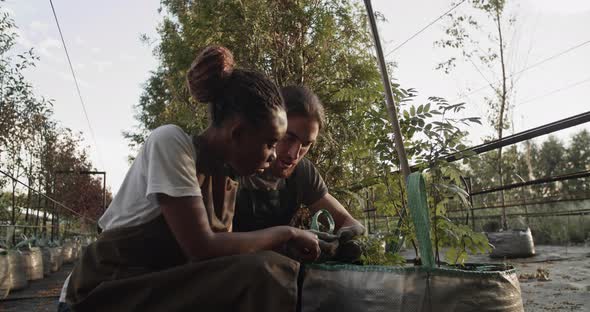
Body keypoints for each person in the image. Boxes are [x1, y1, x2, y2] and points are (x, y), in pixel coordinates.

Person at [61, 46, 320, 312]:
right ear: (238, 133)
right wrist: (287, 232)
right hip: (102, 294)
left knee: (271, 267)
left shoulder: (227, 180)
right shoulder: (171, 143)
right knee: (262, 273)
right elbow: (202, 248)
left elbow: (216, 263)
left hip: (153, 293)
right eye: (270, 142)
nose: (274, 155)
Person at [233, 85, 365, 257]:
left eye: (306, 144)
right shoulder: (230, 165)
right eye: (288, 138)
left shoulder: (302, 172)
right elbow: (207, 245)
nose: (293, 154)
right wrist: (286, 241)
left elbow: (348, 222)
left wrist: (348, 234)